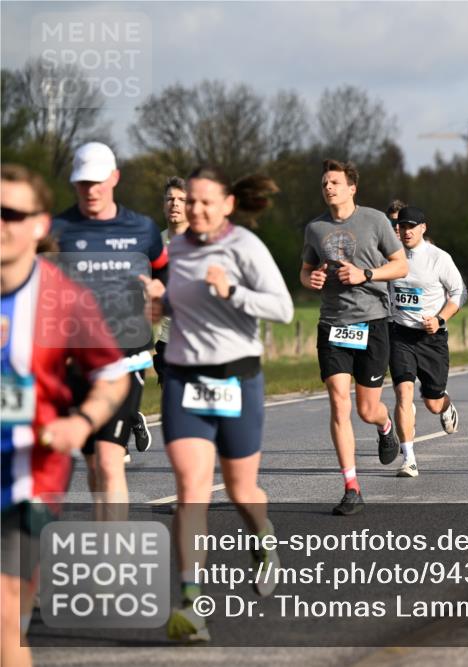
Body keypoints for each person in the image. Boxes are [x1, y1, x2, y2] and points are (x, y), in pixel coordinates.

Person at [142, 166, 293, 641]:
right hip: (184, 379)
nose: (196, 210)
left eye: (206, 202)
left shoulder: (245, 247)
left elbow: (283, 309)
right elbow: (173, 306)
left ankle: (263, 537)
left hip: (237, 379)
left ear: (227, 204)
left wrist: (233, 291)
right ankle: (190, 605)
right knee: (191, 490)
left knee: (240, 491)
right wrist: (157, 304)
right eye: (191, 201)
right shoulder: (174, 251)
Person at [1, 164, 129, 667]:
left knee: (5, 609)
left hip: (28, 475)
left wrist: (81, 422)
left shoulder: (62, 298)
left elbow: (113, 374)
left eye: (12, 213)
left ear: (38, 225)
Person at [49, 142, 167, 516]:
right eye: (83, 183)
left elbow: (164, 270)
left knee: (109, 459)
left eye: (98, 181)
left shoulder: (142, 229)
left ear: (114, 178)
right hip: (75, 362)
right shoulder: (57, 230)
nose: (91, 190)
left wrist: (160, 291)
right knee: (95, 466)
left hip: (125, 358)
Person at [301, 160, 407, 515]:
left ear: (351, 188)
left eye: (334, 182)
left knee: (366, 409)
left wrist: (366, 274)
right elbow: (305, 270)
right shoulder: (315, 228)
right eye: (324, 182)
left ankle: (385, 424)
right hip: (333, 324)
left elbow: (400, 264)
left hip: (372, 323)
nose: (328, 187)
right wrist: (310, 280)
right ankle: (351, 487)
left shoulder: (375, 220)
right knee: (338, 402)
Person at [387, 206, 467, 477]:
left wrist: (440, 319)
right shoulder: (390, 255)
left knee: (431, 402)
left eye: (411, 226)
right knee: (403, 393)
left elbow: (458, 293)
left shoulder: (438, 258)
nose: (405, 231)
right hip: (400, 334)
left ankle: (445, 404)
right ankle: (408, 459)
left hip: (431, 337)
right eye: (401, 226)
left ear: (423, 228)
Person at [152, 177, 189, 385]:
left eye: (181, 199)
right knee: (172, 410)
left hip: (200, 342)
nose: (174, 204)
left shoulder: (205, 242)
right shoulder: (154, 244)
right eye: (170, 199)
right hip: (168, 342)